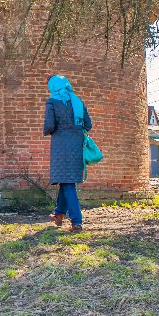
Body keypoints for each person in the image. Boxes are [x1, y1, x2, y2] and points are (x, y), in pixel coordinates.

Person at [43, 75, 93, 231]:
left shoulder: (52, 101)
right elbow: (88, 124)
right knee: (66, 181)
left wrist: (48, 131)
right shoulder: (78, 101)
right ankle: (59, 214)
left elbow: (49, 126)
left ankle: (77, 222)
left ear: (53, 86)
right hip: (76, 146)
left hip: (61, 147)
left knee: (67, 183)